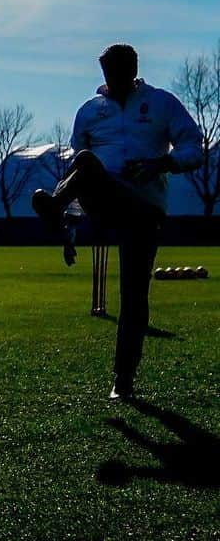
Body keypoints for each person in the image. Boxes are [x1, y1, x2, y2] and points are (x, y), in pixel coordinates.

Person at [31, 44, 203, 401]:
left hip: (143, 207)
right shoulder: (90, 112)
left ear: (134, 70)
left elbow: (193, 148)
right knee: (86, 161)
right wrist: (71, 227)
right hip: (104, 200)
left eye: (122, 75)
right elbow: (76, 172)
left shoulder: (160, 103)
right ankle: (56, 208)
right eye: (109, 75)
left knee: (134, 294)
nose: (115, 82)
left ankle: (123, 377)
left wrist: (161, 164)